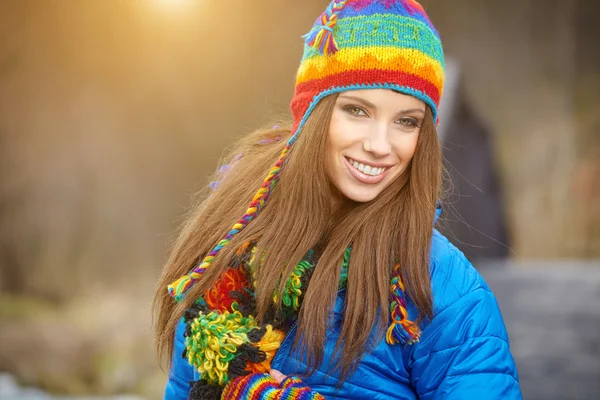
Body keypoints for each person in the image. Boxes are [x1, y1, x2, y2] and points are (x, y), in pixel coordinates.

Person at [154, 0, 522, 399]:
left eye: (406, 121)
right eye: (357, 110)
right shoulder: (233, 246)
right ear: (312, 112)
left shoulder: (442, 286)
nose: (380, 145)